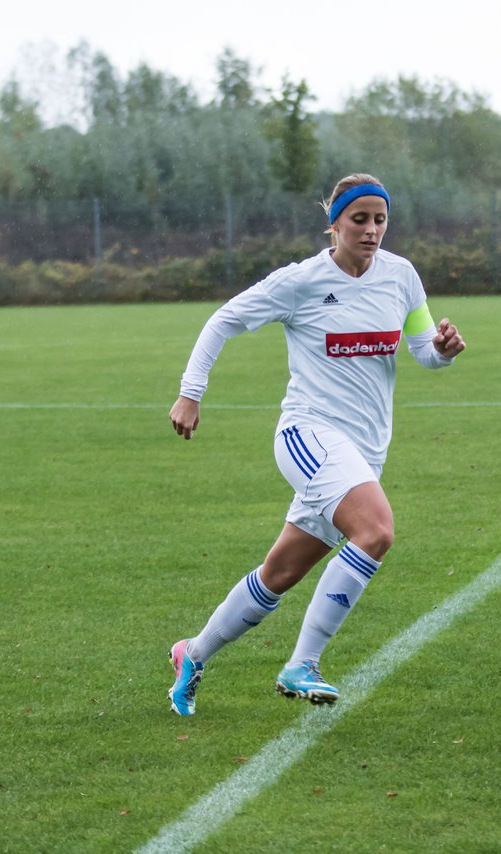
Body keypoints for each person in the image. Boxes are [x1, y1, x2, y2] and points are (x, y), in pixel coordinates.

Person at [166, 173, 466, 715]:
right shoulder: (300, 281)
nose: (372, 230)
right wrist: (191, 394)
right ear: (334, 223)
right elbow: (222, 321)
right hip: (308, 433)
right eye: (360, 219)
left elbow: (423, 350)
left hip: (365, 449)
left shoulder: (402, 277)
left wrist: (443, 349)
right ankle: (302, 664)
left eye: (380, 219)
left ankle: (193, 652)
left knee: (279, 573)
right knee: (375, 531)